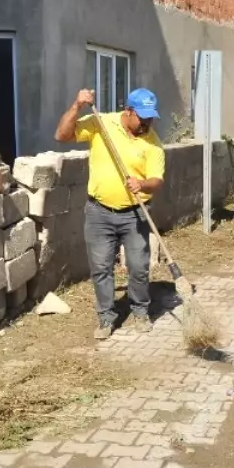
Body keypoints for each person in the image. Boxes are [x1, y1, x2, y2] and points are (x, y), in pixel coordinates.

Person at [55, 87, 165, 341]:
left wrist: (143, 184)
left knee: (138, 267)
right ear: (129, 111)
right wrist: (77, 105)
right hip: (98, 212)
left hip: (135, 214)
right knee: (101, 268)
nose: (147, 123)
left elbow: (157, 180)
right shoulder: (101, 123)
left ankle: (139, 311)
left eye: (151, 118)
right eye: (143, 117)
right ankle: (106, 317)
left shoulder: (153, 142)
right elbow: (62, 135)